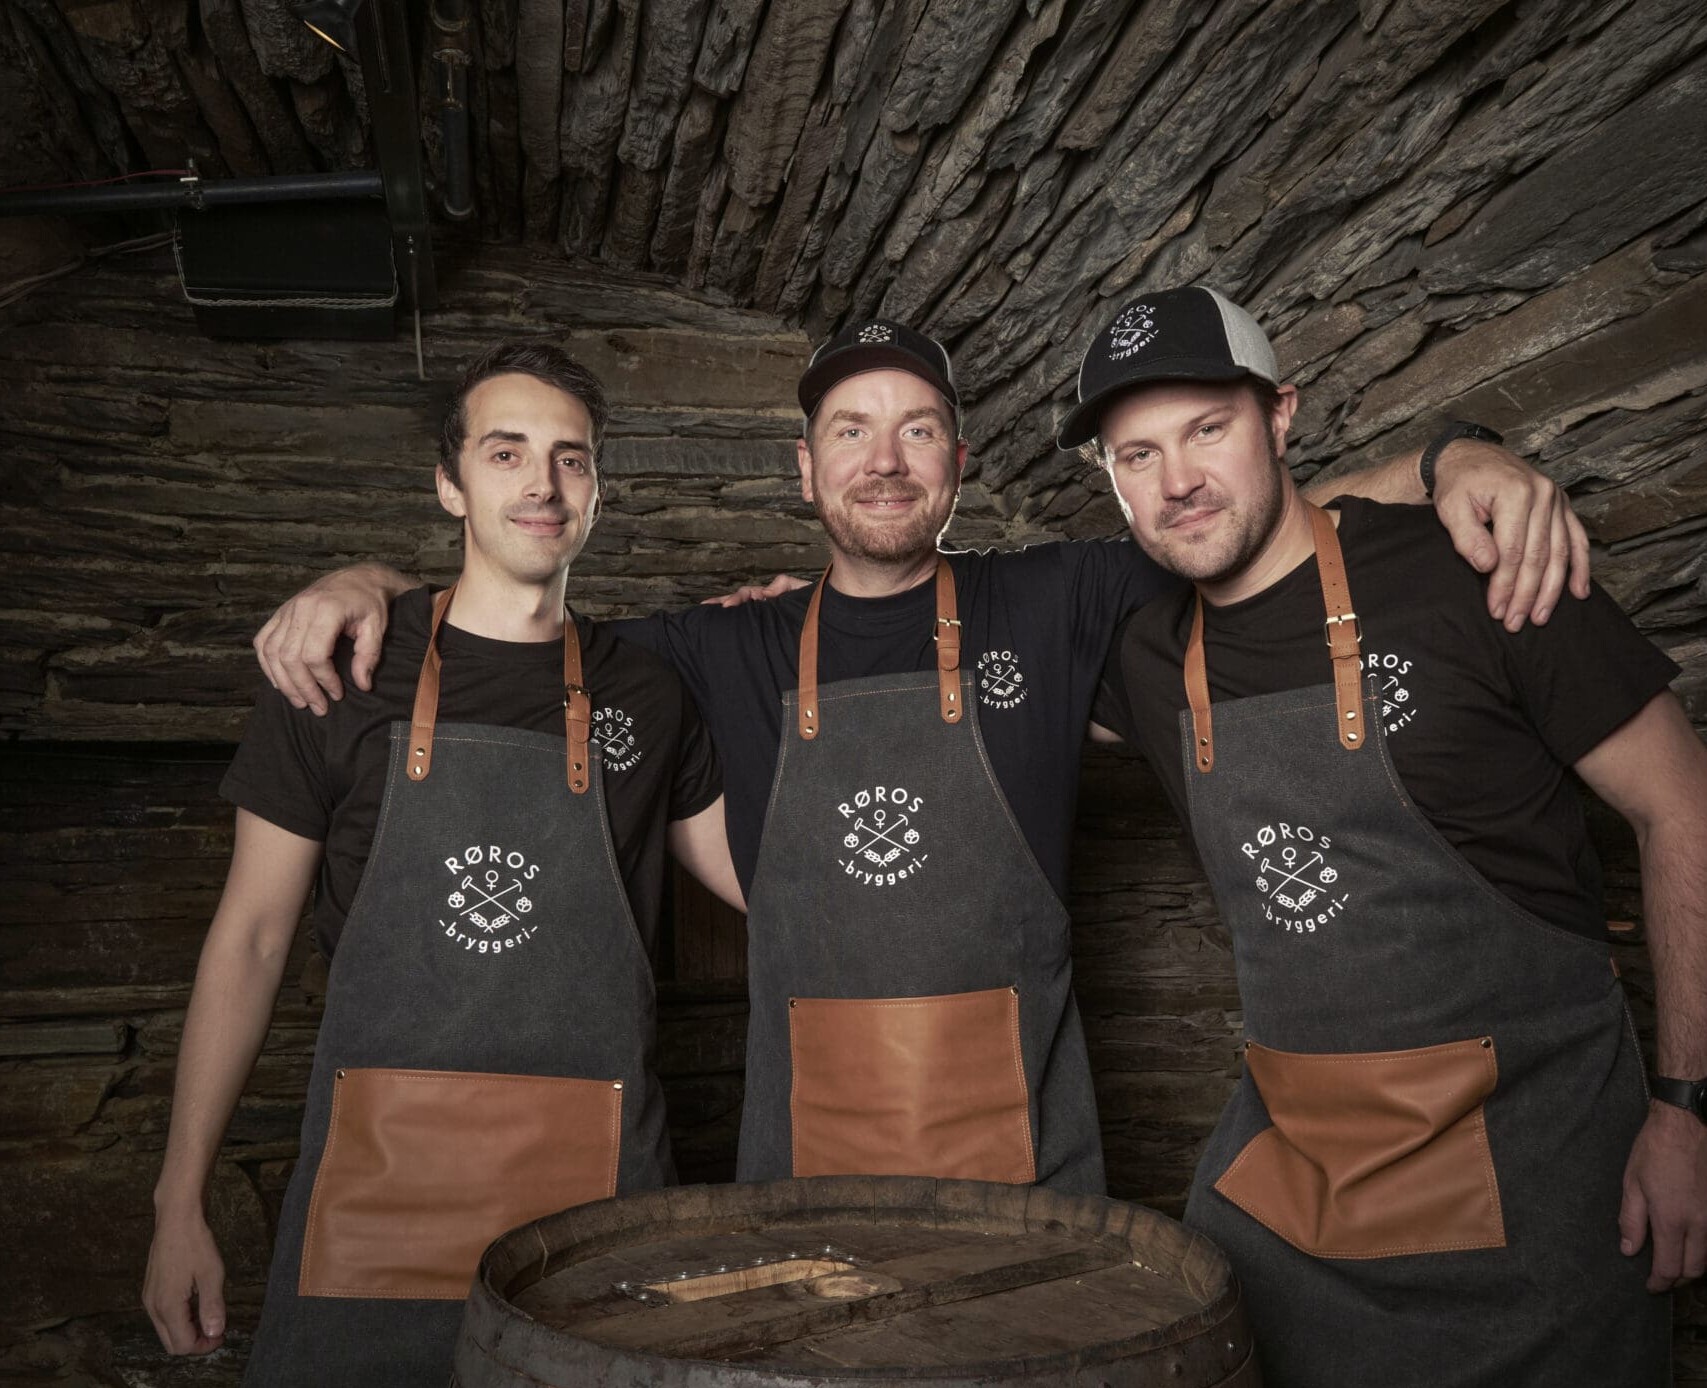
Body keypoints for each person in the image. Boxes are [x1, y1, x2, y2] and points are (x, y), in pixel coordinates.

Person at [251, 321, 1589, 1195]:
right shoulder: (714, 652)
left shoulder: (1062, 600)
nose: (884, 460)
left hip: (1029, 1162)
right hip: (807, 1167)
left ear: (958, 460)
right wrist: (365, 583)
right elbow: (513, 615)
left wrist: (1458, 459)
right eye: (851, 430)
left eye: (917, 429)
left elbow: (1246, 522)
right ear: (805, 467)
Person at [1079, 285, 1707, 1388]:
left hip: (1541, 1158)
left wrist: (1685, 1112)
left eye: (1208, 429)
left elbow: (1688, 814)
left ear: (1283, 419)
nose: (1176, 479)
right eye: (1135, 454)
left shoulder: (1474, 573)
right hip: (1303, 1161)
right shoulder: (1135, 639)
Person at [141, 339, 738, 1388]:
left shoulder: (648, 690)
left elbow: (772, 888)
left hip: (596, 1218)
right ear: (447, 485)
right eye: (507, 451)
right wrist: (180, 1201)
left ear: (600, 493)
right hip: (373, 1211)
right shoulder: (337, 675)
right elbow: (246, 942)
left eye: (572, 457)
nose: (545, 482)